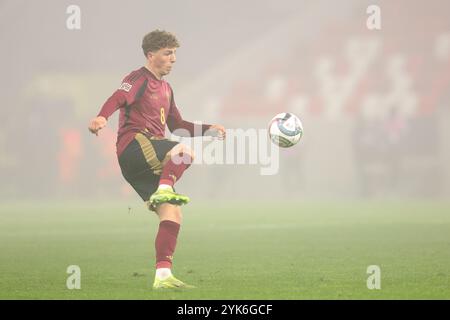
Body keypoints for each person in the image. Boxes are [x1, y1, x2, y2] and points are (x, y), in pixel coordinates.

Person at [88, 30, 226, 289]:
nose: (173, 59)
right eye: (167, 53)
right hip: (135, 145)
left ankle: (163, 276)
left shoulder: (166, 88)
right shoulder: (138, 78)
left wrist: (209, 129)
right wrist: (102, 117)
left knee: (172, 213)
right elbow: (118, 97)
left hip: (144, 160)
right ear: (151, 55)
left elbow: (177, 124)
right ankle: (164, 187)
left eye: (174, 53)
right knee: (183, 152)